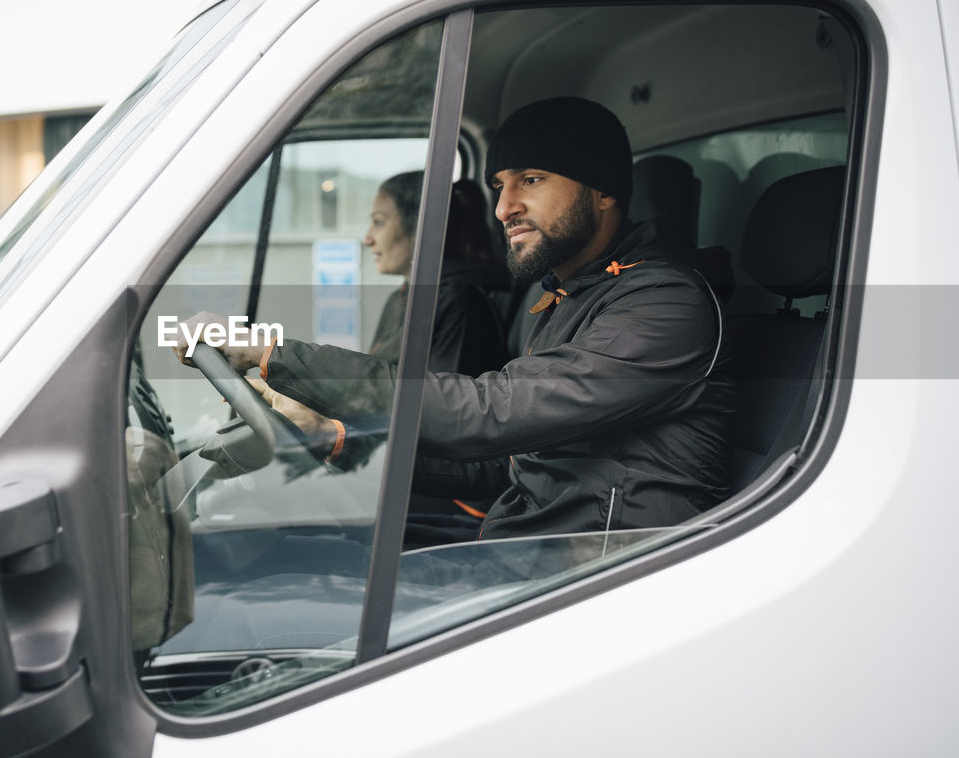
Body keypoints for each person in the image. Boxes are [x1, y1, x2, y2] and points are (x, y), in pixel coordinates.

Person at [189, 97, 733, 538]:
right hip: (529, 551)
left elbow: (484, 415)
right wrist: (335, 436)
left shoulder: (666, 307)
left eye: (532, 180)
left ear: (603, 189)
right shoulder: (569, 295)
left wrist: (270, 354)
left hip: (609, 579)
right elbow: (508, 462)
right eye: (500, 185)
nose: (504, 208)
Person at [363, 171, 508, 376]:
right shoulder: (400, 298)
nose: (367, 239)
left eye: (378, 222)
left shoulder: (458, 301)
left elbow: (444, 401)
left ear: (419, 228)